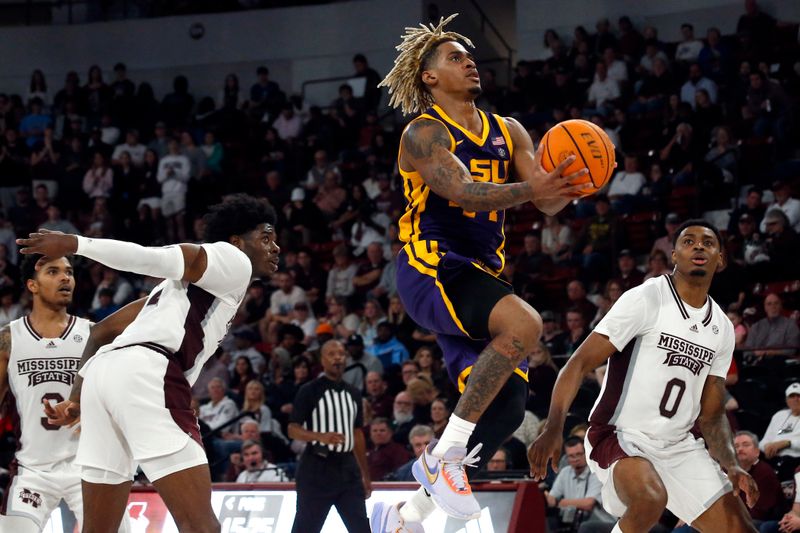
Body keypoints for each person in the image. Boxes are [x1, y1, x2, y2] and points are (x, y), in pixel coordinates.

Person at [372, 13, 590, 530]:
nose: (469, 61)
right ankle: (445, 460)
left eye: (470, 56)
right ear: (429, 77)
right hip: (431, 265)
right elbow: (462, 191)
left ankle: (405, 515)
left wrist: (570, 182)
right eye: (454, 57)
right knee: (526, 325)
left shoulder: (508, 130)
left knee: (510, 405)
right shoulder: (423, 132)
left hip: (480, 274)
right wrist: (533, 191)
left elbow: (547, 203)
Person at [26, 194, 280, 533]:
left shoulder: (176, 293)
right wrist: (77, 243)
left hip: (105, 375)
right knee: (201, 526)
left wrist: (75, 398)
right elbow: (155, 257)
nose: (275, 247)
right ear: (236, 241)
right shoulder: (234, 260)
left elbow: (102, 331)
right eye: (265, 238)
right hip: (147, 373)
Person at [530, 220, 759, 532]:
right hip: (620, 435)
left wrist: (731, 463)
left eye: (708, 243)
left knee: (742, 529)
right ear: (674, 256)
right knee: (649, 500)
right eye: (688, 242)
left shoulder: (721, 328)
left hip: (679, 445)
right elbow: (578, 364)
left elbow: (712, 413)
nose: (698, 247)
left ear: (720, 259)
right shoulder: (646, 298)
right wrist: (555, 426)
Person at [0, 255, 128, 532]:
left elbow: (116, 398)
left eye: (69, 272)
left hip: (90, 466)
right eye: (53, 271)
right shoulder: (8, 339)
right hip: (31, 469)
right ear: (32, 285)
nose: (65, 278)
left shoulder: (93, 334)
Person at [288, 340, 371, 533]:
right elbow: (292, 429)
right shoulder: (309, 390)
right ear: (322, 360)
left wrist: (365, 475)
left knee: (361, 528)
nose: (338, 358)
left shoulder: (354, 393)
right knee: (305, 528)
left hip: (348, 469)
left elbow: (357, 433)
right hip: (317, 468)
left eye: (341, 354)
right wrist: (320, 436)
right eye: (332, 354)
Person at [544, 437, 615, 533]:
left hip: (602, 523)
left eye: (579, 454)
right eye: (571, 456)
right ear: (566, 458)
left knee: (586, 527)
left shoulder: (596, 472)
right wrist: (548, 498)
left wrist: (558, 502)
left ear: (586, 454)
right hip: (575, 522)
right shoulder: (565, 472)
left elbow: (588, 504)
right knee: (548, 521)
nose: (576, 459)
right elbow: (551, 499)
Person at [760, 383, 800, 463]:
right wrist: (766, 446)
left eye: (799, 396)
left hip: (795, 460)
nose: (796, 399)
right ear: (786, 400)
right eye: (792, 396)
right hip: (773, 459)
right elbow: (764, 441)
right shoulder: (779, 415)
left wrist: (787, 443)